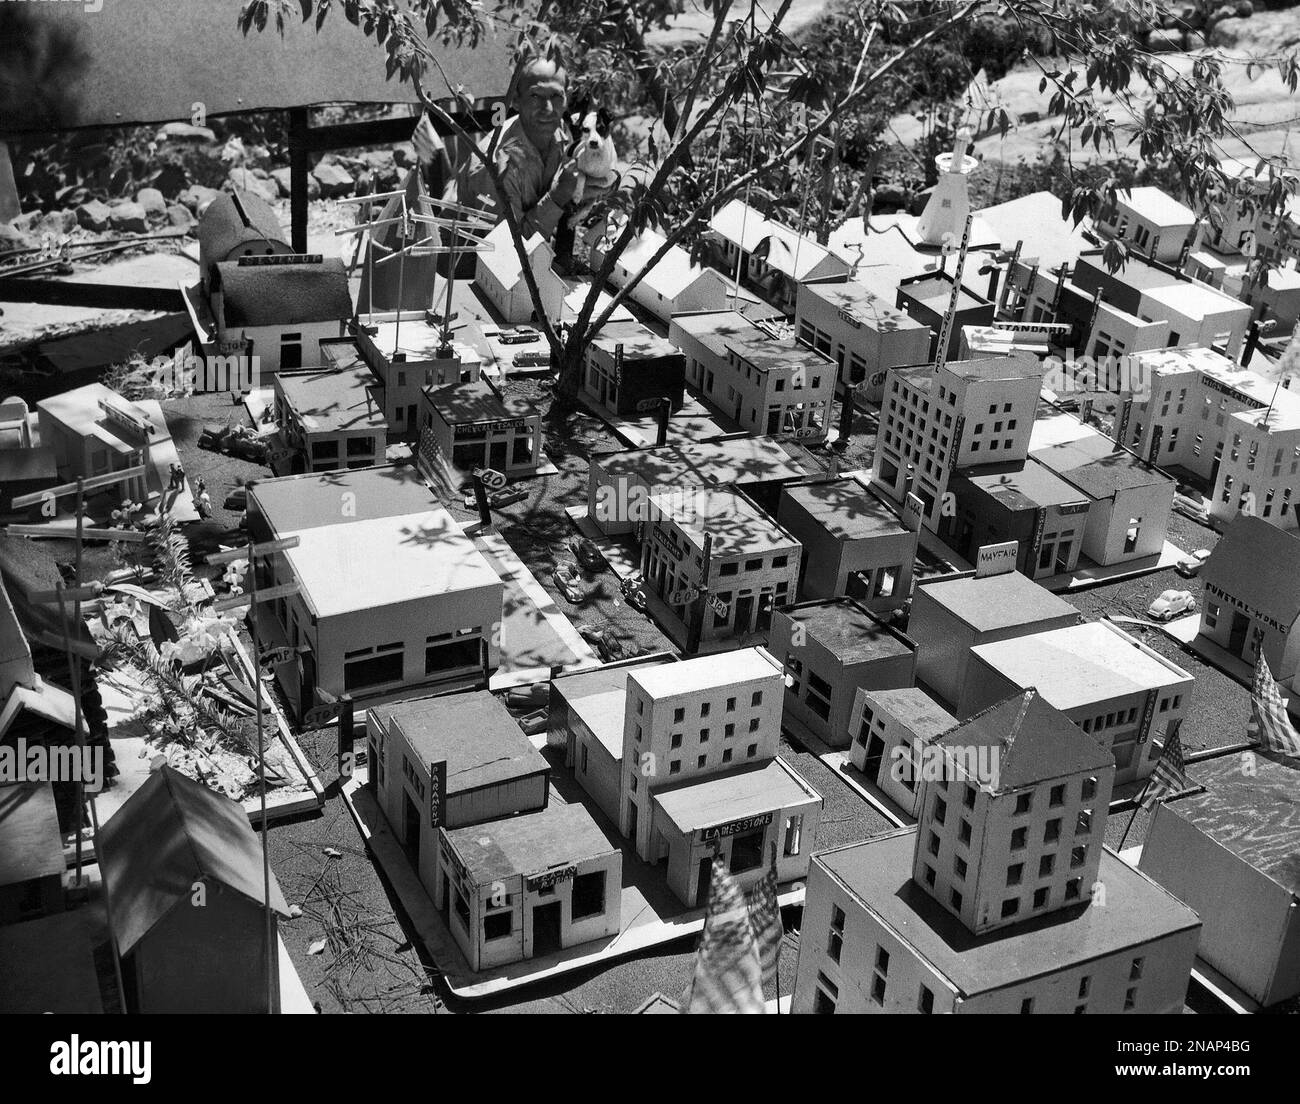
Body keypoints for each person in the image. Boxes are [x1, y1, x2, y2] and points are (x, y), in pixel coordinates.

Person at [412, 57, 588, 244]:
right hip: (464, 259)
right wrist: (557, 197)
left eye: (556, 96)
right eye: (535, 96)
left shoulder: (560, 132)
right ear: (516, 101)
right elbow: (509, 249)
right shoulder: (498, 165)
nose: (548, 108)